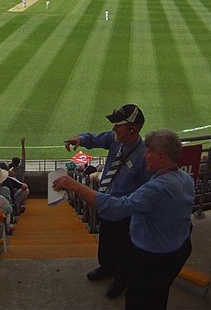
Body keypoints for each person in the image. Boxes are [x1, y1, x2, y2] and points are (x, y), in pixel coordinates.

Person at [53, 129, 194, 310]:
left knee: (137, 298)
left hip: (153, 257)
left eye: (149, 152)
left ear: (161, 157)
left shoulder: (156, 189)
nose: (145, 155)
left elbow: (116, 208)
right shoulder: (185, 178)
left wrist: (74, 185)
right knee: (158, 293)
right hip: (178, 248)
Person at [64, 104, 148, 299]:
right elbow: (96, 138)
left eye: (118, 125)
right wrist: (80, 139)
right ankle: (106, 267)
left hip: (123, 213)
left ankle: (121, 279)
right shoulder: (115, 139)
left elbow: (145, 191)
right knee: (106, 240)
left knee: (123, 248)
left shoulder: (143, 157)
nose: (114, 129)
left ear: (132, 129)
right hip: (105, 204)